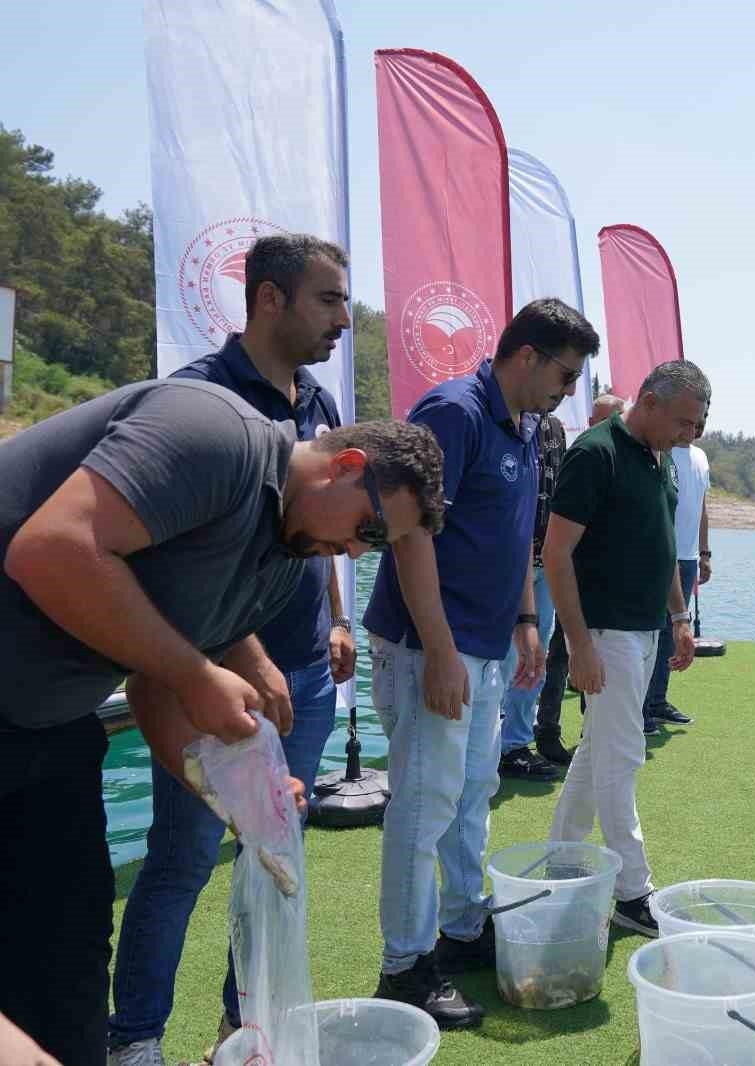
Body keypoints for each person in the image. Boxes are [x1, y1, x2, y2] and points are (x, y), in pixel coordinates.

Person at [0, 378, 443, 1066]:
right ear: (346, 465)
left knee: (71, 958)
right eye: (369, 530)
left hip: (47, 727)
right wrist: (195, 672)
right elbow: (49, 549)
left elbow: (153, 687)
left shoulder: (278, 562)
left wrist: (240, 795)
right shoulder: (212, 432)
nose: (356, 554)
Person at [106, 233, 356, 1065]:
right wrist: (223, 660)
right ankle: (136, 1039)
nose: (344, 319)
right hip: (208, 676)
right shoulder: (198, 399)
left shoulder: (319, 403)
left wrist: (335, 618)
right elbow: (162, 566)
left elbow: (326, 526)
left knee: (273, 859)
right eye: (329, 300)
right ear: (269, 298)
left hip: (304, 675)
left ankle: (243, 1031)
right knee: (181, 862)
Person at [363, 297, 598, 1028]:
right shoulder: (454, 413)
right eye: (565, 373)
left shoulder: (526, 424)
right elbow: (410, 535)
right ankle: (404, 967)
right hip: (430, 645)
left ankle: (463, 928)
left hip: (487, 644)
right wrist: (438, 650)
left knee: (471, 792)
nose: (569, 388)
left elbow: (514, 534)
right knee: (424, 802)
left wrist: (526, 621)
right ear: (527, 355)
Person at [543, 362, 710, 937]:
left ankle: (562, 860)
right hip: (606, 632)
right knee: (622, 756)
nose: (689, 435)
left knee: (599, 751)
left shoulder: (660, 457)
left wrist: (679, 616)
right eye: (684, 422)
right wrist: (578, 643)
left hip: (644, 631)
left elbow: (661, 544)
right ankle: (632, 891)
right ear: (650, 402)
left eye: (697, 426)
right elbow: (556, 554)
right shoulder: (596, 453)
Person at [535, 391, 626, 753]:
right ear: (590, 422)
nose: (606, 427)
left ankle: (593, 736)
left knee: (599, 659)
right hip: (569, 577)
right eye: (600, 420)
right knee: (558, 655)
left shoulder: (626, 461)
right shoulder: (583, 457)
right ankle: (546, 731)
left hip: (604, 582)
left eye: (613, 420)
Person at [495, 409, 568, 783]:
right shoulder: (502, 419)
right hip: (507, 563)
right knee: (503, 659)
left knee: (534, 660)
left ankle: (516, 745)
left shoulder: (555, 428)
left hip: (546, 563)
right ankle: (490, 744)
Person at [641, 410, 714, 728]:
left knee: (673, 633)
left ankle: (658, 701)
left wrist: (705, 553)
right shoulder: (663, 453)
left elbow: (702, 509)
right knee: (653, 633)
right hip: (661, 557)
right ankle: (641, 707)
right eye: (690, 420)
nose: (695, 427)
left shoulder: (700, 457)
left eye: (701, 421)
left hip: (688, 559)